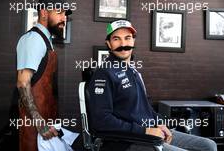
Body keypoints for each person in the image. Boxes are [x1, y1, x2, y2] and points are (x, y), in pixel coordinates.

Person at [88, 19, 217, 151]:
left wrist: (160, 123)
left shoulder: (133, 71)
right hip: (126, 140)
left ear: (133, 41)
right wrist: (145, 130)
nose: (123, 44)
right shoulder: (104, 73)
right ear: (108, 44)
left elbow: (145, 108)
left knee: (209, 145)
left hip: (149, 132)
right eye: (116, 39)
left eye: (128, 38)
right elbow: (101, 121)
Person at [16, 0, 72, 151]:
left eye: (65, 14)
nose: (64, 18)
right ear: (44, 12)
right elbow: (22, 83)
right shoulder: (34, 40)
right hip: (34, 128)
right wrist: (40, 123)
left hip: (46, 123)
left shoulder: (46, 40)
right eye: (59, 12)